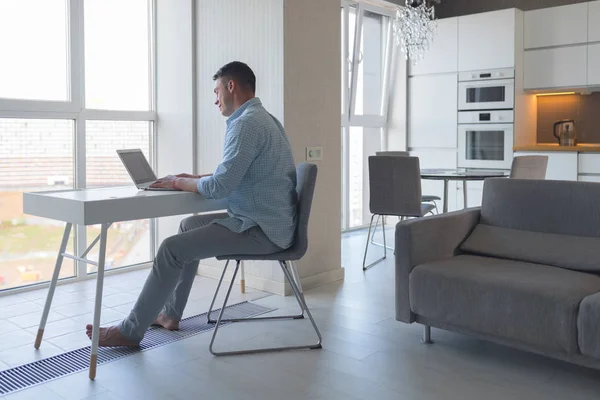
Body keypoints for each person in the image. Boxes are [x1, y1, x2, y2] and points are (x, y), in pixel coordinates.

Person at [86, 61, 297, 346]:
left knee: (170, 249)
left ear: (230, 86)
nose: (215, 99)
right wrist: (194, 177)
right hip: (265, 220)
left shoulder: (246, 124)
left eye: (217, 90)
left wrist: (176, 182)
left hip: (262, 230)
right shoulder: (264, 119)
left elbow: (221, 186)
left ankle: (131, 331)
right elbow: (238, 174)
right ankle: (171, 315)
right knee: (188, 225)